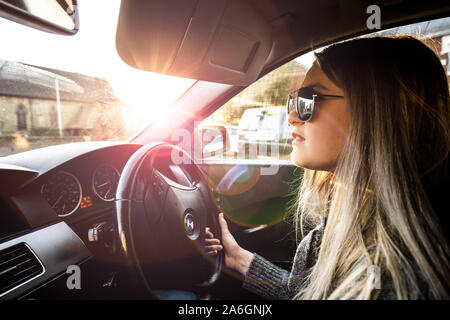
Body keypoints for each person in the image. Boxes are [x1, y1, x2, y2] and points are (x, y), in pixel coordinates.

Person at [205, 35, 450, 300]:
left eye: (309, 100)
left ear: (372, 113)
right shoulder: (347, 225)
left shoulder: (400, 280)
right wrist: (241, 260)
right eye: (294, 99)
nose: (291, 116)